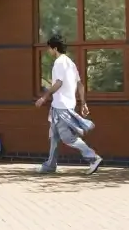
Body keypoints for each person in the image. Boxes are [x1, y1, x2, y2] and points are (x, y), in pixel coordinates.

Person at [34, 35, 103, 175]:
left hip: (61, 106)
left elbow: (58, 83)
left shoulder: (59, 62)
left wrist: (44, 97)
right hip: (63, 105)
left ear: (54, 48)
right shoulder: (71, 64)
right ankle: (50, 166)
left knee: (67, 138)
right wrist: (83, 103)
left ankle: (93, 158)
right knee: (54, 136)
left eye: (49, 48)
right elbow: (80, 85)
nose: (48, 51)